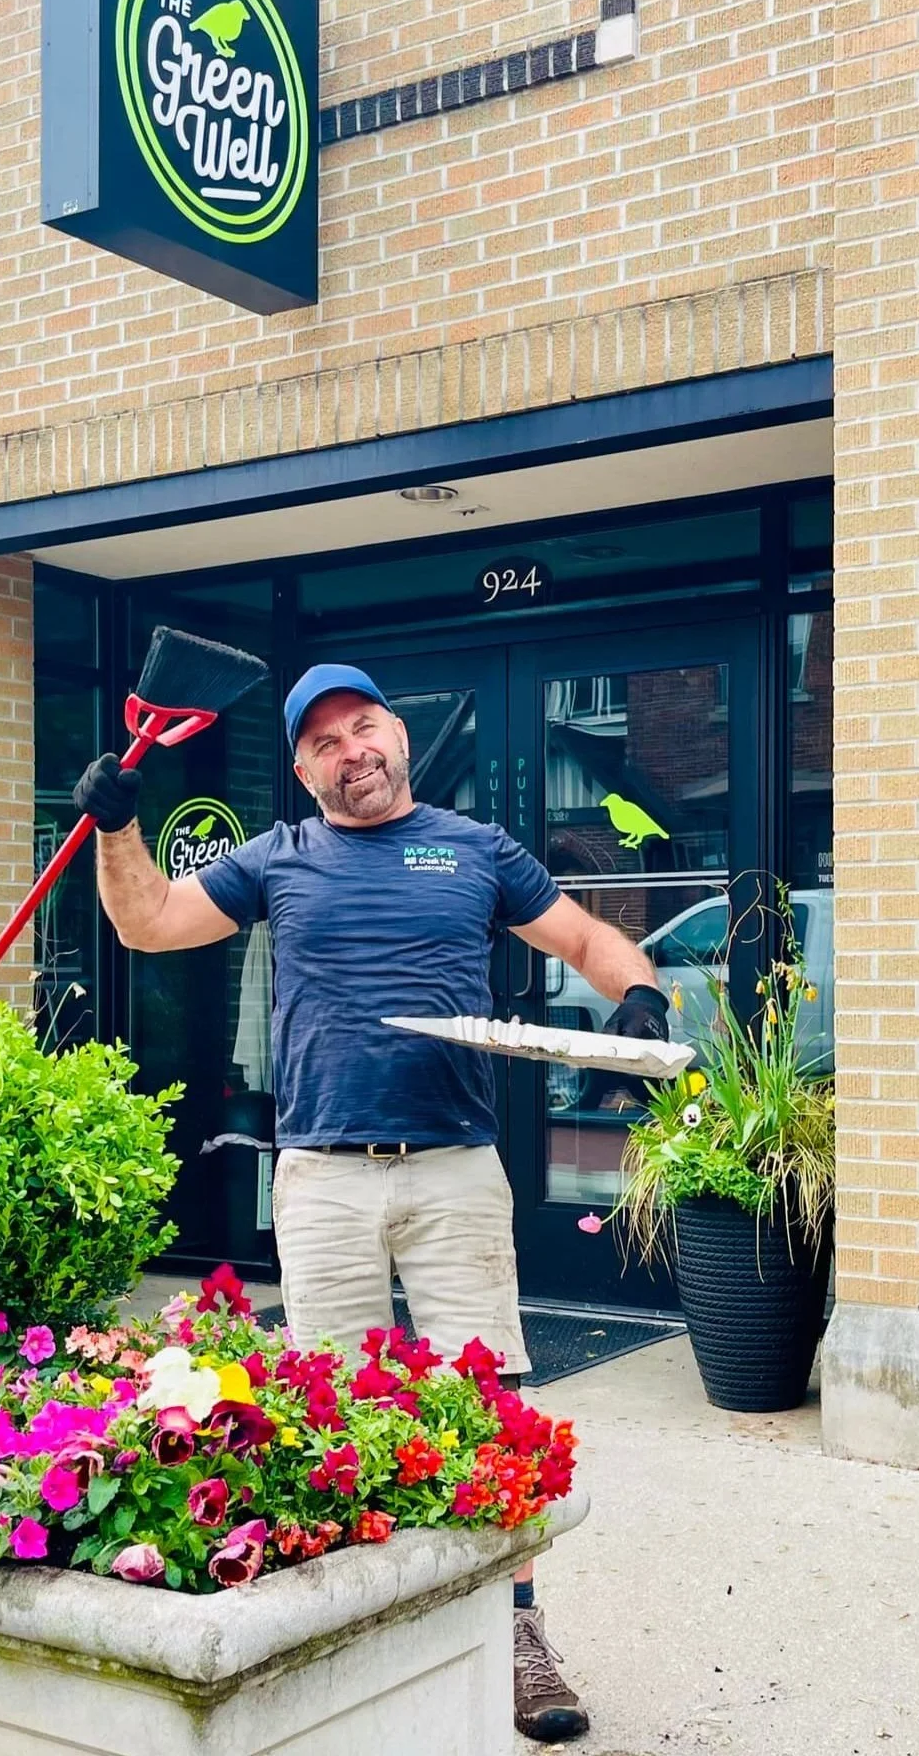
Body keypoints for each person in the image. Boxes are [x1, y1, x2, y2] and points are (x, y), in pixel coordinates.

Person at [74, 662, 671, 1745]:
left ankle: (515, 1631)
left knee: (491, 1410)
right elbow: (150, 924)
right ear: (303, 771)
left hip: (453, 1167)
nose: (352, 750)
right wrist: (120, 830)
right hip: (324, 1173)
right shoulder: (279, 858)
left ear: (396, 733)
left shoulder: (478, 849)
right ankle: (369, 1631)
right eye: (325, 743)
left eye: (364, 727)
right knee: (334, 1413)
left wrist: (636, 993)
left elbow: (586, 940)